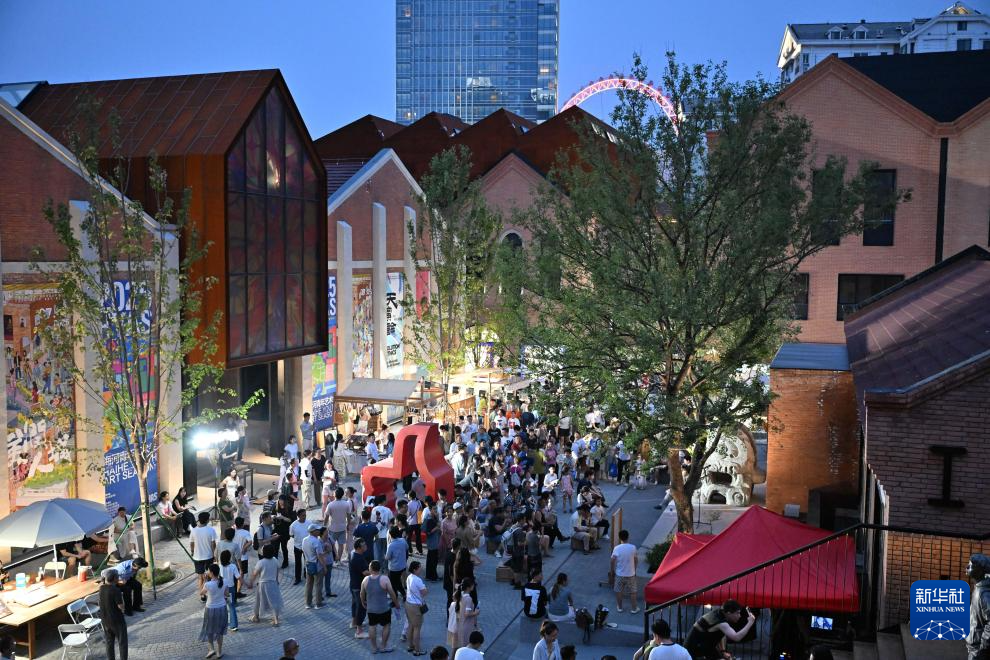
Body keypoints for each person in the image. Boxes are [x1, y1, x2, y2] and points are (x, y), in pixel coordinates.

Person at [683, 599, 756, 660]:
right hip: (694, 651)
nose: (739, 616)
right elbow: (736, 637)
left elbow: (721, 634)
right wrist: (750, 623)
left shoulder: (721, 613)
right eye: (737, 613)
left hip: (703, 647)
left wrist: (723, 651)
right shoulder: (721, 623)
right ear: (729, 613)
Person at [361, 559, 399, 654]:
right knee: (386, 625)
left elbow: (362, 593)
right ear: (379, 568)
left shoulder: (366, 580)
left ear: (371, 568)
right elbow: (392, 593)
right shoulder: (385, 579)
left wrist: (363, 602)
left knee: (372, 626)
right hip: (384, 609)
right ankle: (383, 646)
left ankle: (374, 648)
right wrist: (396, 603)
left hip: (371, 609)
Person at [247, 544, 283, 626]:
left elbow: (254, 574)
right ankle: (276, 619)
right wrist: (276, 580)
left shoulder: (261, 562)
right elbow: (277, 570)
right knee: (274, 601)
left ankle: (256, 616)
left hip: (263, 584)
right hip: (273, 583)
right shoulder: (275, 560)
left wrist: (251, 582)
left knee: (259, 600)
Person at [199, 563, 228, 658]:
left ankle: (211, 649)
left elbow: (201, 593)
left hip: (210, 609)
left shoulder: (208, 584)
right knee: (220, 631)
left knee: (209, 629)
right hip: (222, 608)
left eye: (208, 571)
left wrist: (204, 580)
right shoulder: (225, 581)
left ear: (211, 573)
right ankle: (219, 652)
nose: (207, 572)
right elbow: (227, 594)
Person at [100, 568, 128, 660]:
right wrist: (123, 609)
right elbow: (121, 606)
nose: (119, 578)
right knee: (122, 642)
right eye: (118, 577)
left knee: (109, 642)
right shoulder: (115, 590)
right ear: (114, 578)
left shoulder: (101, 588)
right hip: (117, 620)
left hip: (105, 620)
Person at [190, 511, 218, 600]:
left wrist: (192, 552)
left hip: (197, 557)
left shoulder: (194, 530)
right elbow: (213, 544)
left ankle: (202, 595)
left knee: (200, 577)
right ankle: (209, 593)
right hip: (209, 556)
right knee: (209, 576)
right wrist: (214, 555)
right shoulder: (211, 530)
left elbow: (191, 543)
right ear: (207, 520)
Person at [611, 529, 639, 613]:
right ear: (628, 537)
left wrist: (612, 570)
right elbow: (636, 560)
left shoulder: (617, 548)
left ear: (620, 538)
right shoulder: (633, 547)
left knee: (619, 591)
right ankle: (634, 609)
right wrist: (634, 570)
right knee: (633, 592)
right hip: (631, 574)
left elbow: (612, 560)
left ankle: (620, 608)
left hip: (619, 574)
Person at [405, 561, 429, 656]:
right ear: (415, 569)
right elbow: (424, 592)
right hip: (416, 606)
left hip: (408, 604)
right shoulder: (417, 580)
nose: (421, 569)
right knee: (417, 628)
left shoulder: (409, 577)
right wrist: (425, 588)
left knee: (410, 625)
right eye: (419, 567)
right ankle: (417, 650)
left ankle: (410, 646)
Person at [350, 539, 371, 640]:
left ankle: (354, 623)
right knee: (362, 607)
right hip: (359, 587)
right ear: (359, 548)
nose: (366, 546)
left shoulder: (353, 554)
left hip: (354, 585)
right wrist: (374, 573)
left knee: (355, 605)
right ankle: (359, 631)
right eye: (364, 545)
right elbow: (365, 572)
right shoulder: (357, 558)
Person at [301, 523, 325, 609]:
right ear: (313, 531)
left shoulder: (304, 540)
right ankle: (318, 603)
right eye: (317, 530)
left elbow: (303, 551)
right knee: (318, 585)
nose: (319, 531)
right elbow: (319, 555)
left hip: (308, 564)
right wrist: (324, 566)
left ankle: (308, 603)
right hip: (317, 565)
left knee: (309, 584)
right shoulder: (316, 541)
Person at [454, 575, 480, 650]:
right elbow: (467, 614)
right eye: (473, 585)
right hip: (467, 625)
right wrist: (476, 612)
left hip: (461, 624)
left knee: (462, 646)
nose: (474, 586)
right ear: (469, 587)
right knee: (467, 646)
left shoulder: (460, 595)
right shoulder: (468, 599)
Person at [385, 525, 410, 599]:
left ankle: (394, 597)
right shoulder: (403, 540)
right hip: (402, 566)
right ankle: (403, 594)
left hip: (394, 568)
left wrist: (384, 556)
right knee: (397, 581)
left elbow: (387, 557)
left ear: (390, 535)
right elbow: (407, 548)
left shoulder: (391, 545)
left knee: (392, 583)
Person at [219, 550, 240, 632]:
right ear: (229, 558)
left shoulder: (219, 566)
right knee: (231, 607)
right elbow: (238, 577)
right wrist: (246, 583)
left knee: (222, 606)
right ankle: (233, 625)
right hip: (230, 589)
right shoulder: (233, 566)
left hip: (221, 589)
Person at [288, 509, 309, 585]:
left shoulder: (309, 523)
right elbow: (291, 534)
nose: (304, 517)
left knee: (307, 562)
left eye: (305, 515)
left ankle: (307, 575)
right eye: (303, 515)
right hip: (297, 547)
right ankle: (297, 578)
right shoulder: (293, 525)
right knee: (298, 563)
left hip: (307, 547)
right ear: (298, 516)